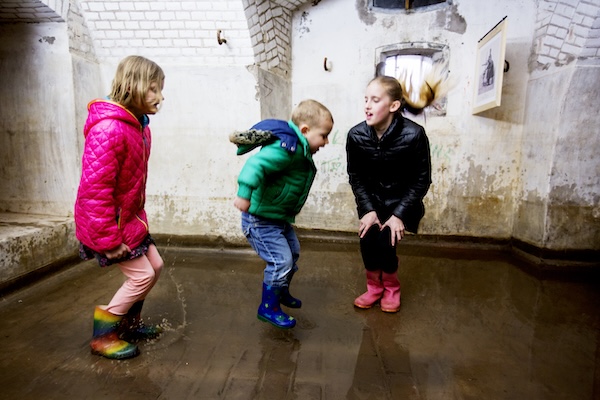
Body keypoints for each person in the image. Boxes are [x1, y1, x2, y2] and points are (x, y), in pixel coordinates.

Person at [74, 55, 166, 359]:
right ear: (133, 86)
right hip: (109, 226)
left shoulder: (139, 126)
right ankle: (104, 334)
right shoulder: (109, 129)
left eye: (160, 89)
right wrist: (108, 241)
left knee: (155, 267)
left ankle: (129, 323)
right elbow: (94, 191)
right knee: (141, 276)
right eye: (153, 89)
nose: (160, 97)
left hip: (129, 220)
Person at [346, 71, 444, 313]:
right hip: (371, 202)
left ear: (394, 105)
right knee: (367, 241)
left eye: (375, 100)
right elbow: (356, 178)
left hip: (402, 203)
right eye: (366, 99)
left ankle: (391, 288)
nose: (367, 106)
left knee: (385, 242)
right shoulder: (355, 135)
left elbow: (422, 180)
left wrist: (399, 214)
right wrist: (368, 210)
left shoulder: (414, 134)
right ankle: (374, 288)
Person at [231, 100, 334, 329]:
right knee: (280, 261)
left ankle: (280, 292)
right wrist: (244, 194)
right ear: (305, 131)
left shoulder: (299, 149)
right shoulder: (287, 149)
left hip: (276, 219)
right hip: (259, 221)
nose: (326, 142)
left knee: (293, 253)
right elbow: (256, 165)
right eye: (324, 135)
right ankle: (268, 308)